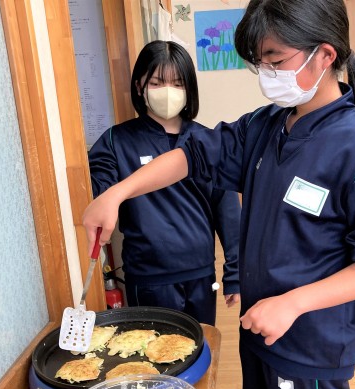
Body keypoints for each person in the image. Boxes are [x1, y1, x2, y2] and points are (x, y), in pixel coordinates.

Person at [83, 1, 355, 389]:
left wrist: (294, 303)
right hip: (260, 330)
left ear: (325, 55)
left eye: (275, 59)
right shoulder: (267, 125)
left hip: (308, 345)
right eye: (260, 62)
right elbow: (192, 156)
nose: (267, 73)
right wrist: (117, 193)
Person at [87, 40, 241, 325]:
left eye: (177, 84)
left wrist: (235, 272)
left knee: (200, 345)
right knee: (152, 351)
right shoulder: (115, 141)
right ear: (139, 86)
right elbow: (98, 192)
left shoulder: (206, 141)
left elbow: (228, 210)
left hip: (200, 272)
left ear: (189, 89)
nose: (168, 92)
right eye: (157, 83)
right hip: (147, 276)